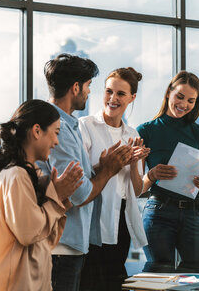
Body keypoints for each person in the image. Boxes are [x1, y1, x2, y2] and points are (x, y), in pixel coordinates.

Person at [44, 53, 134, 291]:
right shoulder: (61, 129)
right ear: (75, 87)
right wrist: (108, 170)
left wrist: (100, 167)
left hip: (71, 245)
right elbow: (80, 193)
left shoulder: (68, 125)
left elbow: (76, 179)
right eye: (88, 86)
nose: (89, 92)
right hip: (63, 246)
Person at [0, 99, 84, 291]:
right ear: (36, 131)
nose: (57, 142)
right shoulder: (16, 175)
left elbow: (46, 240)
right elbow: (29, 232)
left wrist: (61, 199)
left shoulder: (32, 174)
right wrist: (56, 196)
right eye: (56, 133)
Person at [137, 70, 199, 273]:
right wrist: (151, 175)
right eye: (179, 97)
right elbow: (136, 188)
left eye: (191, 100)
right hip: (159, 212)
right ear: (168, 93)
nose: (184, 105)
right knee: (160, 270)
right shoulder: (146, 131)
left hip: (192, 212)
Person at [79, 67, 150, 290]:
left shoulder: (133, 135)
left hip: (122, 217)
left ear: (132, 98)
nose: (112, 98)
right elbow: (80, 175)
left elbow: (137, 190)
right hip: (94, 212)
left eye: (120, 94)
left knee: (114, 280)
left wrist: (132, 165)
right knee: (91, 279)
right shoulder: (86, 125)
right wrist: (108, 163)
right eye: (108, 91)